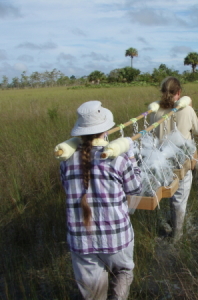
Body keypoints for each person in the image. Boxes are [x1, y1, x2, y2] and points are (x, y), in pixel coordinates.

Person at [59, 101, 142, 300]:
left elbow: (67, 188)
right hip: (117, 238)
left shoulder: (66, 161)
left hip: (82, 241)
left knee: (93, 296)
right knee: (123, 272)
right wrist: (132, 156)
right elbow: (136, 188)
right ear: (105, 131)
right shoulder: (119, 159)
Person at [149, 77, 198, 241]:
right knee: (179, 200)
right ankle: (177, 237)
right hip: (181, 164)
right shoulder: (186, 110)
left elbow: (152, 135)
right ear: (179, 92)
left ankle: (172, 225)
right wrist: (191, 108)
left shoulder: (155, 111)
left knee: (169, 194)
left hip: (161, 163)